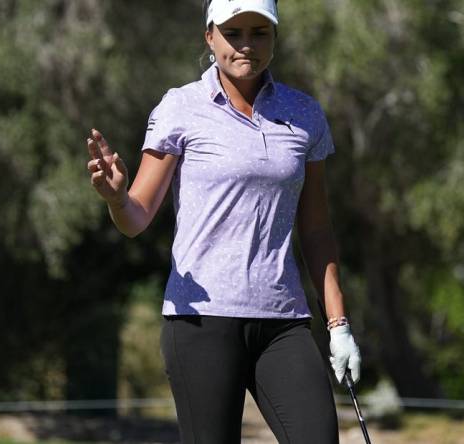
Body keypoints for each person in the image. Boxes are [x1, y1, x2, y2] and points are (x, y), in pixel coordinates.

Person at [84, 0, 361, 442]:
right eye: (233, 33)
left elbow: (316, 229)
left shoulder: (304, 114)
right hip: (200, 323)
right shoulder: (181, 108)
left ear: (274, 38)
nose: (246, 45)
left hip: (282, 319)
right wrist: (117, 198)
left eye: (259, 33)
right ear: (209, 36)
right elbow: (136, 218)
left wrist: (338, 322)